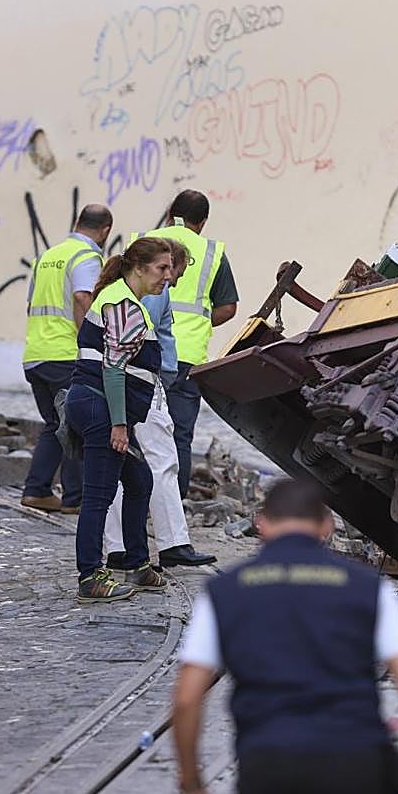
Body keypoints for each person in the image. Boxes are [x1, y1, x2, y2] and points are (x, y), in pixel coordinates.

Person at [173, 480, 398, 794]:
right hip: (353, 761)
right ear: (326, 526)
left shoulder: (224, 591)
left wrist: (192, 786)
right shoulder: (368, 587)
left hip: (269, 762)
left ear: (262, 524)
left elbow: (187, 698)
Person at [65, 237, 174, 602]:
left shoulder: (122, 299)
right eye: (162, 268)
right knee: (98, 494)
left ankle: (138, 564)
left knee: (140, 480)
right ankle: (90, 577)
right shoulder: (122, 305)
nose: (168, 276)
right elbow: (113, 369)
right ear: (139, 268)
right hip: (102, 408)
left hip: (102, 406)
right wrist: (119, 425)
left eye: (170, 268)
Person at [103, 240, 216, 570]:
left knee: (120, 466)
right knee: (163, 463)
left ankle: (119, 547)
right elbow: (135, 344)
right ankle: (173, 543)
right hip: (141, 385)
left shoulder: (115, 291)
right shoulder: (147, 294)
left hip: (129, 384)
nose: (173, 279)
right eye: (168, 270)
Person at [130, 190, 238, 499]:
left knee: (135, 429)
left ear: (169, 213)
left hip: (140, 348)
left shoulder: (142, 242)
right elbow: (228, 307)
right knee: (178, 437)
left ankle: (134, 501)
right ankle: (171, 508)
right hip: (187, 356)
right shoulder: (212, 252)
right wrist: (201, 322)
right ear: (202, 222)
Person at [20, 204, 111, 513]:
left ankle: (37, 490)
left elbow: (31, 304)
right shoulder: (87, 257)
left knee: (54, 424)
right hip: (65, 354)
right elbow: (82, 297)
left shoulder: (46, 257)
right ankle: (75, 498)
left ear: (76, 222)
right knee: (75, 425)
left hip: (36, 353)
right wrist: (93, 344)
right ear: (105, 232)